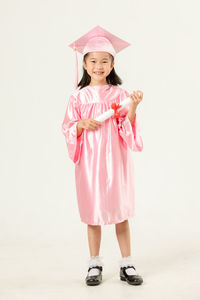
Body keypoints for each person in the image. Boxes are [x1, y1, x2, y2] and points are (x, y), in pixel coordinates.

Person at [61, 25, 144, 286]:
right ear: (85, 64)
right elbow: (67, 126)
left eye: (104, 61)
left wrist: (133, 108)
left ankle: (127, 263)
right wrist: (80, 125)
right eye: (93, 60)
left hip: (116, 161)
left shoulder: (119, 95)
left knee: (121, 213)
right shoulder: (78, 98)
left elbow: (126, 129)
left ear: (112, 64)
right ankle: (94, 263)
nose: (99, 65)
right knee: (93, 213)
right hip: (90, 163)